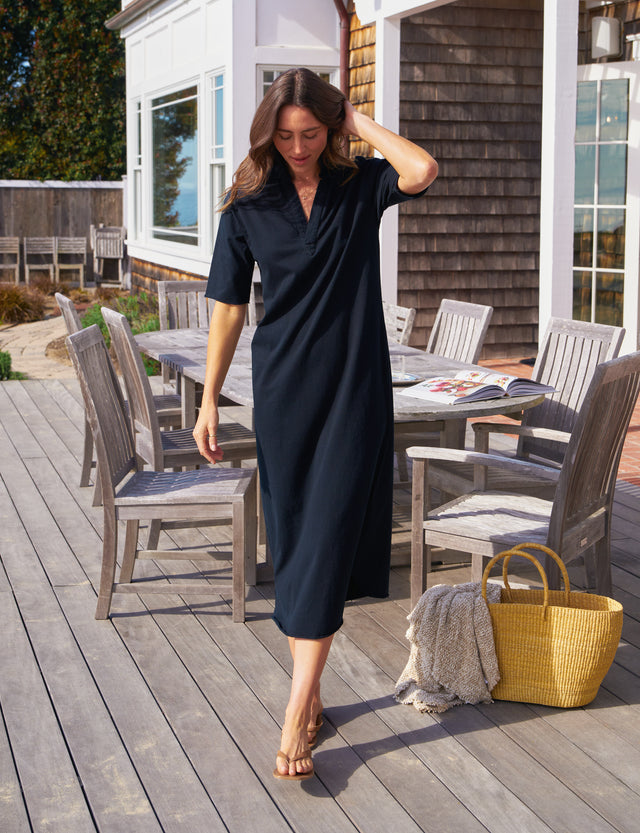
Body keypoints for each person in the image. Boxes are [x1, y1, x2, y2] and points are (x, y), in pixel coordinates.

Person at [193, 67, 438, 781]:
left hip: (355, 390)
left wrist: (355, 120)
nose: (297, 147)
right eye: (284, 135)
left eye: (310, 133)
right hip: (284, 392)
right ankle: (316, 690)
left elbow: (421, 170)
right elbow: (228, 308)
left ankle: (298, 704)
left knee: (329, 531)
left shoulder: (360, 183)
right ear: (267, 134)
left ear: (329, 129)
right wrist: (209, 399)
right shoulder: (247, 204)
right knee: (299, 538)